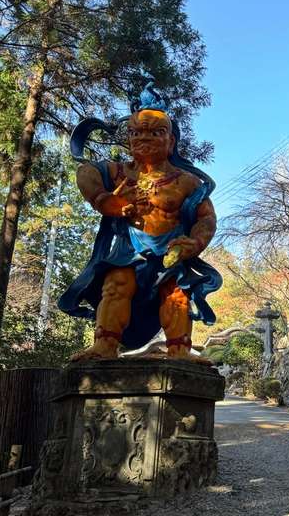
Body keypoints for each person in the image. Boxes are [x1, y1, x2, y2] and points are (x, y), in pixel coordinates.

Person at [58, 83, 222, 364]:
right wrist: (105, 200)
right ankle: (104, 345)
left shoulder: (186, 182)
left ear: (171, 141)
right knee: (116, 285)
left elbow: (206, 217)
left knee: (176, 294)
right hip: (129, 248)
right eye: (136, 132)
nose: (144, 137)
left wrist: (194, 243)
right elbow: (85, 171)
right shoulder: (119, 172)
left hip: (169, 251)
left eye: (155, 132)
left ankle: (179, 350)